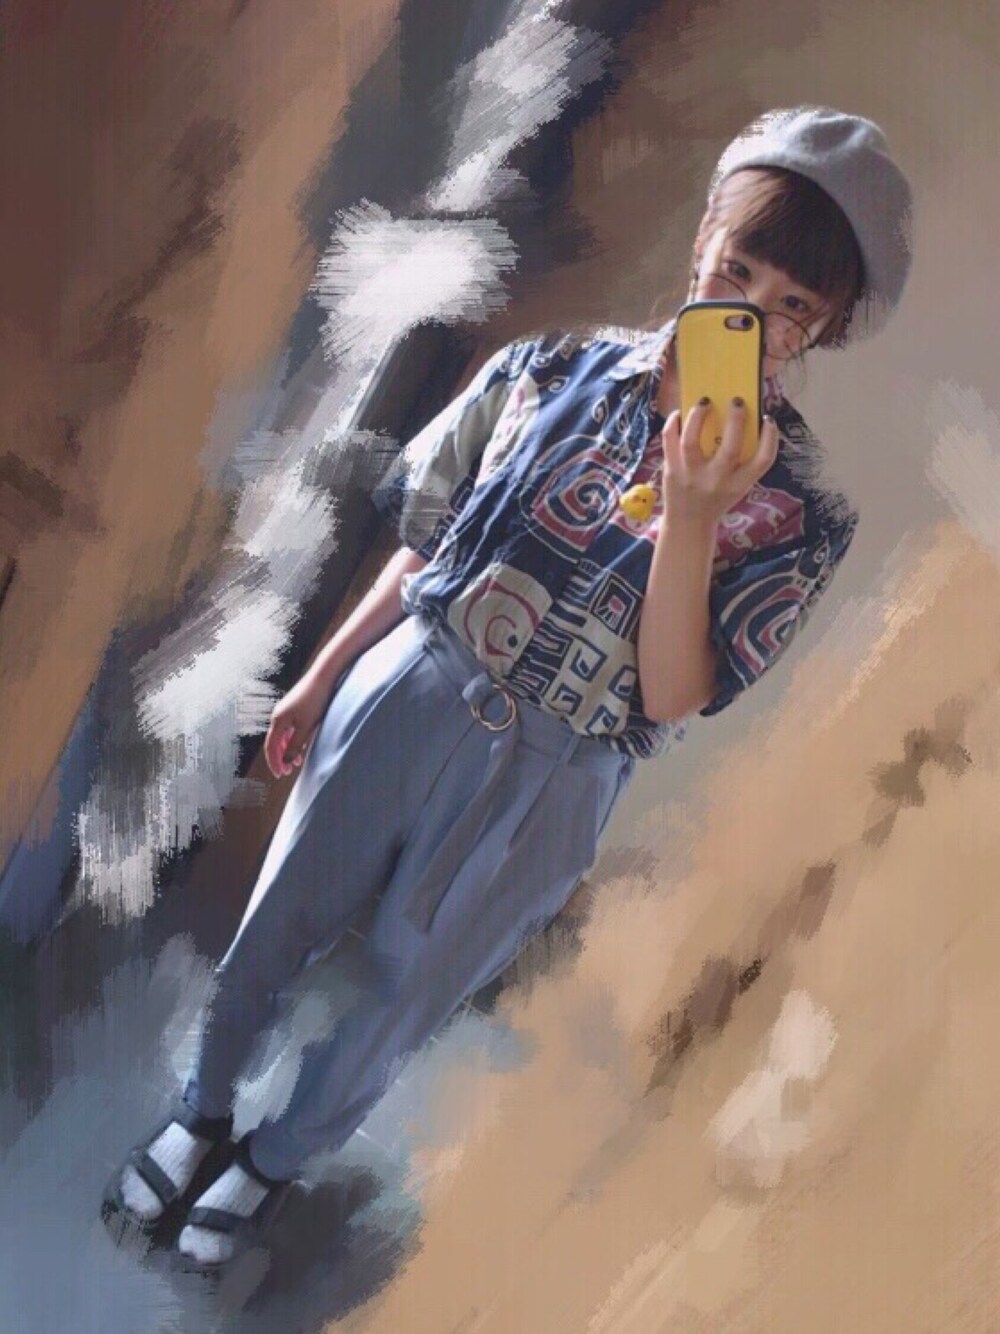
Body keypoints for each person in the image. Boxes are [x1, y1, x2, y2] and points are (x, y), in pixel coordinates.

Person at [104, 105, 913, 1270]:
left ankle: (270, 1161)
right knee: (280, 917)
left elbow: (671, 695)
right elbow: (428, 544)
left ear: (825, 328)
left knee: (406, 988)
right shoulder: (548, 368)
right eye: (739, 269)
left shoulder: (799, 514)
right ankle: (199, 1111)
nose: (753, 312)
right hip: (413, 682)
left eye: (792, 306)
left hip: (555, 776)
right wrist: (322, 676)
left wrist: (693, 514)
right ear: (703, 237)